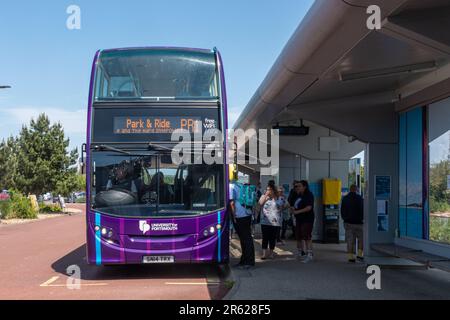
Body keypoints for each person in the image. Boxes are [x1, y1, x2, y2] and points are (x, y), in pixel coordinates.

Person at [229, 180, 255, 269]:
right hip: (247, 213)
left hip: (239, 215)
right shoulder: (239, 184)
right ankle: (245, 260)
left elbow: (232, 203)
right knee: (247, 238)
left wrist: (234, 216)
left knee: (245, 239)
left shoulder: (230, 186)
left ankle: (248, 262)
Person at [291, 180, 315, 263]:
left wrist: (297, 211)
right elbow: (295, 205)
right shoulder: (298, 195)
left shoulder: (309, 195)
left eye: (299, 186)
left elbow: (309, 207)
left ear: (304, 186)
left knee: (307, 236)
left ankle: (309, 254)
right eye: (296, 186)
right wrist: (294, 209)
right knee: (298, 236)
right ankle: (301, 252)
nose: (297, 187)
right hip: (299, 219)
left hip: (307, 219)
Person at [258, 181, 282, 260]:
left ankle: (271, 253)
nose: (268, 191)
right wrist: (265, 196)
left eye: (270, 189)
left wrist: (280, 209)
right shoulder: (263, 196)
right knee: (265, 238)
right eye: (267, 189)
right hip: (265, 221)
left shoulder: (278, 198)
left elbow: (286, 204)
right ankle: (264, 254)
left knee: (272, 238)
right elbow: (260, 203)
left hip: (275, 222)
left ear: (273, 190)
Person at [341, 184, 364, 263]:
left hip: (348, 223)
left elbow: (342, 211)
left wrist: (345, 219)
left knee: (350, 240)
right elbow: (363, 209)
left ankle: (351, 257)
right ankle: (360, 255)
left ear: (350, 189)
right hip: (359, 223)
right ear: (356, 190)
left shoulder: (345, 198)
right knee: (361, 239)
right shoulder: (360, 198)